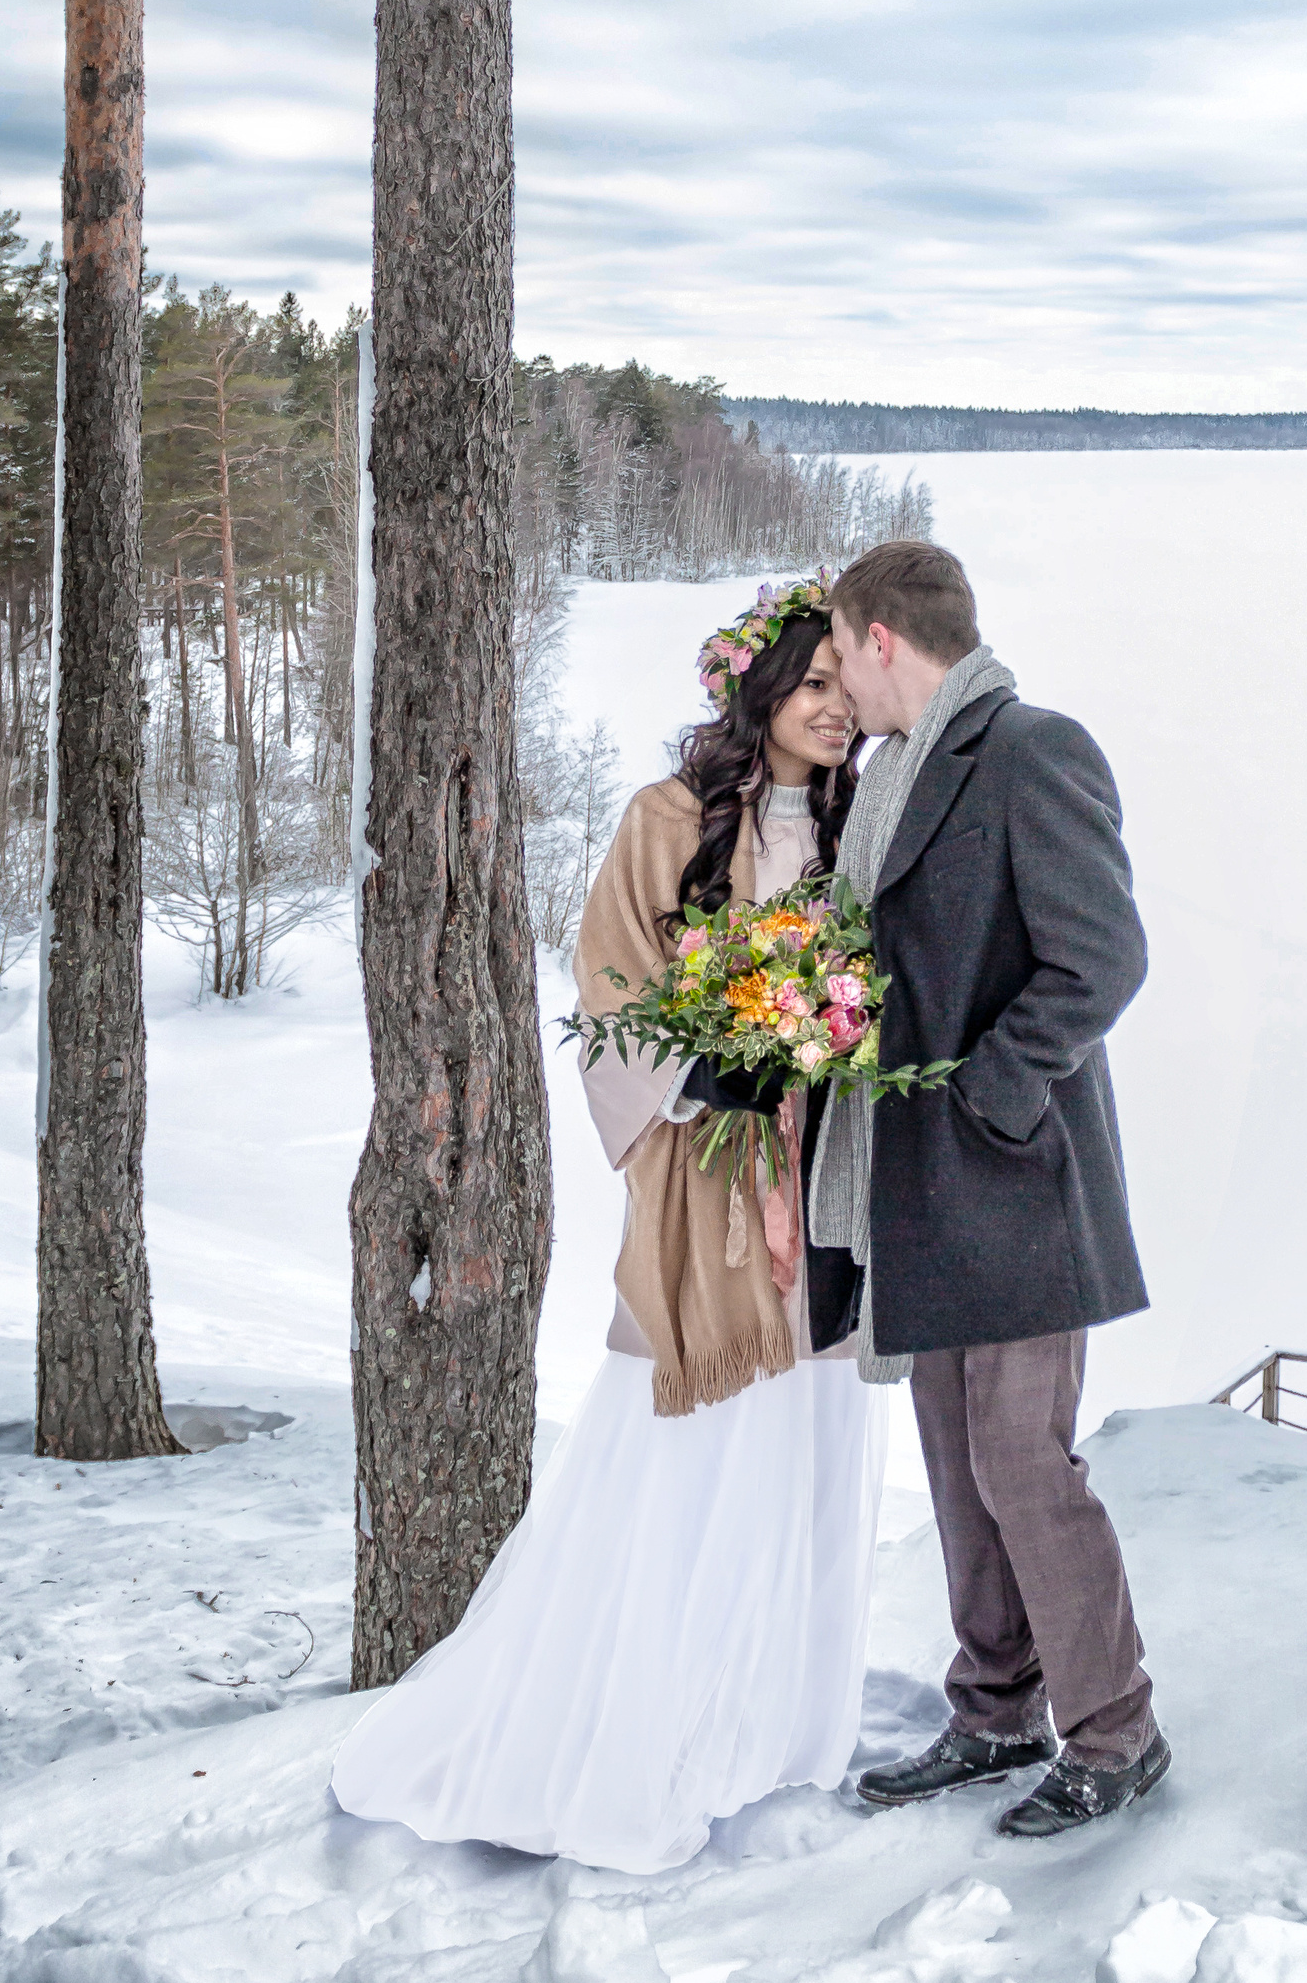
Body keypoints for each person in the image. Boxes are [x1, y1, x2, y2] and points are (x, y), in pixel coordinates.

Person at [327, 580, 888, 1871]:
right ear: (755, 694)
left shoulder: (866, 826)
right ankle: (645, 1722)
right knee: (689, 1439)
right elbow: (612, 984)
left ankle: (780, 1728)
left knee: (808, 1426)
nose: (834, 711)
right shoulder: (667, 820)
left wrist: (832, 1047)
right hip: (704, 1181)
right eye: (810, 688)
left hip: (830, 1176)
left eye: (844, 690)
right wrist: (711, 1076)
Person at [811, 536, 1168, 1837]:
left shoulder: (1030, 749)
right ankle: (996, 1706)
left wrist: (992, 1095)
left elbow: (1103, 958)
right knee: (959, 1462)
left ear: (884, 638)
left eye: (842, 649)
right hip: (921, 1192)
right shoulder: (888, 776)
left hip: (1015, 1183)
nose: (836, 677)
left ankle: (1117, 1728)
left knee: (1023, 1456)